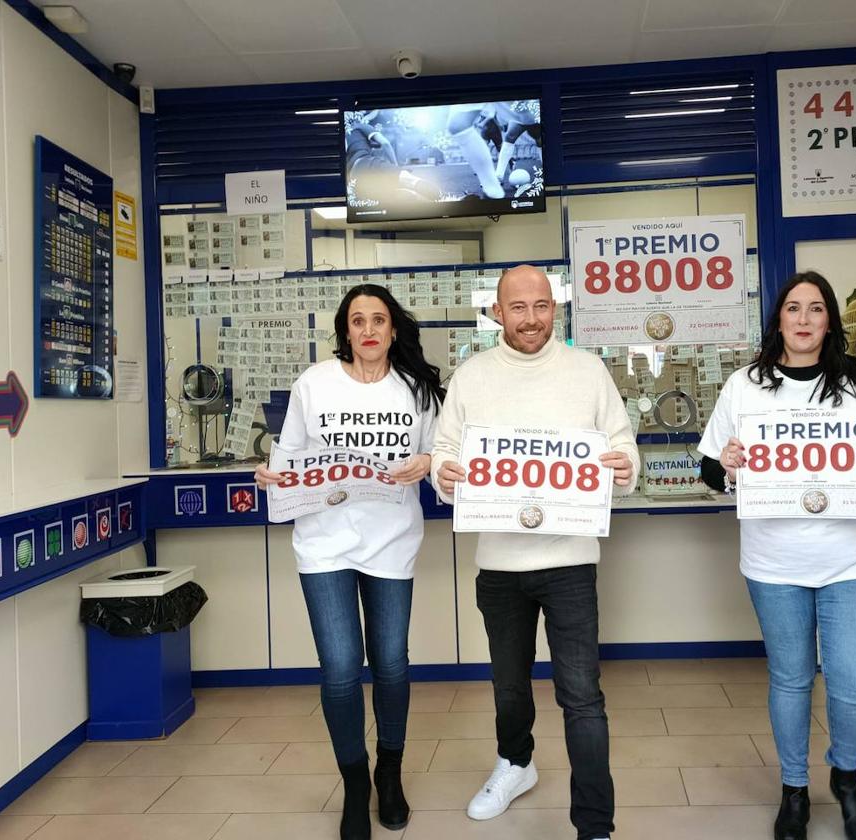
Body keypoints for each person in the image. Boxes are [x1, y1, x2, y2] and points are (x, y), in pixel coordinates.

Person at [697, 271, 856, 840]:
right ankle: (794, 789)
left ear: (830, 321)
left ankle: (847, 778)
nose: (802, 319)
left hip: (853, 556)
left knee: (853, 681)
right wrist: (728, 462)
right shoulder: (746, 384)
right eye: (793, 308)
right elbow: (709, 471)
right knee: (791, 680)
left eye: (815, 309)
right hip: (774, 560)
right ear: (778, 319)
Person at [431, 264, 639, 840]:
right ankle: (515, 765)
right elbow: (444, 455)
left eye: (541, 306)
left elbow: (622, 447)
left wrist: (626, 465)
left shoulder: (588, 371)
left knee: (582, 694)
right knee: (508, 685)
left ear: (556, 308)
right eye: (518, 307)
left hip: (570, 561)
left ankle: (595, 823)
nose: (531, 318)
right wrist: (445, 476)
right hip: (498, 566)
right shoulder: (471, 376)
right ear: (497, 312)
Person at [254, 284, 443, 840]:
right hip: (324, 543)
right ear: (345, 329)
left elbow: (442, 454)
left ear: (392, 329)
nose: (368, 330)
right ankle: (355, 782)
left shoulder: (417, 389)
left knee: (390, 664)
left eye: (378, 320)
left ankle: (390, 771)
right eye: (357, 320)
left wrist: (427, 462)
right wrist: (272, 477)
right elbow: (287, 459)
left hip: (392, 541)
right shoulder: (314, 384)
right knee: (340, 670)